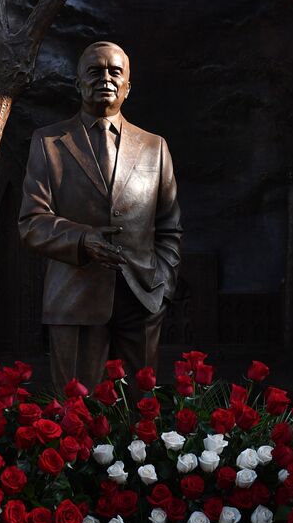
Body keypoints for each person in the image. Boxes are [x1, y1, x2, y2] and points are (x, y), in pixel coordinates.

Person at [18, 41, 182, 391]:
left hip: (142, 301)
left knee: (141, 416)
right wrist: (82, 238)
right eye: (94, 71)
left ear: (127, 86)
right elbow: (32, 220)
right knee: (77, 414)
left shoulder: (156, 147)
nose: (105, 78)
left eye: (114, 71)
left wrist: (162, 286)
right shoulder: (48, 143)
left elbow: (169, 227)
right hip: (74, 300)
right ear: (77, 83)